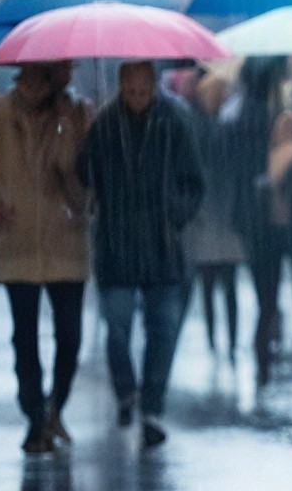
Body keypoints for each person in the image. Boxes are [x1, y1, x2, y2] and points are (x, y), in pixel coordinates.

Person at [0, 60, 92, 452]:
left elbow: (80, 175)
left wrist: (68, 128)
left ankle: (55, 407)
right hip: (15, 239)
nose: (36, 87)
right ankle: (34, 415)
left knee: (69, 336)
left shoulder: (77, 115)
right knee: (25, 337)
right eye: (30, 78)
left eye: (44, 79)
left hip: (66, 238)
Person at [80, 60, 204, 446]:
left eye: (143, 91)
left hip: (162, 247)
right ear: (120, 88)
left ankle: (151, 406)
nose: (137, 99)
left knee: (162, 330)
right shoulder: (103, 125)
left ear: (153, 86)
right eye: (130, 92)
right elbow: (85, 176)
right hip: (116, 245)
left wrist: (175, 216)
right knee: (116, 328)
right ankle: (126, 392)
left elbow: (195, 181)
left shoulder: (175, 122)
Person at [224, 59, 292, 387]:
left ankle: (263, 343)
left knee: (262, 285)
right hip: (270, 215)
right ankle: (261, 346)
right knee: (270, 288)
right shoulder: (271, 117)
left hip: (248, 216)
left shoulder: (237, 116)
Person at [185, 74, 253, 373]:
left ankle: (226, 343)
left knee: (220, 286)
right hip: (213, 217)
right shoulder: (205, 128)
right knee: (217, 286)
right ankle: (220, 343)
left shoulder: (218, 127)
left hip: (221, 219)